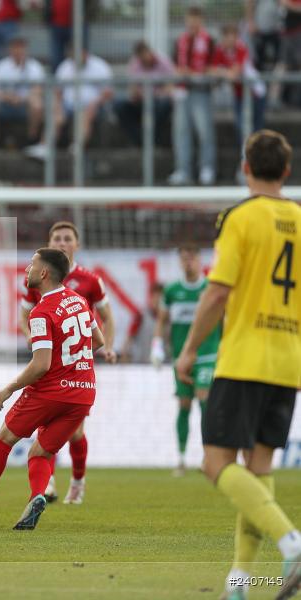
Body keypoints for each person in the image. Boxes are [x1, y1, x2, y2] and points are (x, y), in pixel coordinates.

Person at [175, 129, 301, 600]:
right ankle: (239, 582)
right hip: (288, 362)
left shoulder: (240, 217)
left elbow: (218, 291)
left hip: (245, 357)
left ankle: (292, 542)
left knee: (214, 463)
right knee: (259, 467)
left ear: (245, 167)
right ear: (286, 170)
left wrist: (189, 349)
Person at [0, 248, 105, 529]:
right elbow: (99, 341)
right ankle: (37, 497)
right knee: (40, 452)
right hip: (83, 393)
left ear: (44, 273)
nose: (26, 269)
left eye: (32, 265)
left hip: (50, 391)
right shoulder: (80, 301)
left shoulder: (41, 312)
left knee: (3, 440)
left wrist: (10, 388)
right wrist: (72, 364)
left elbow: (41, 365)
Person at [18, 221, 116, 504]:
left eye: (67, 238)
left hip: (77, 364)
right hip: (49, 361)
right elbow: (24, 314)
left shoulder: (90, 281)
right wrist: (29, 336)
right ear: (50, 244)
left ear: (77, 244)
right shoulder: (38, 276)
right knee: (45, 420)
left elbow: (108, 317)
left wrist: (108, 347)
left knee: (75, 432)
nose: (62, 243)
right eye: (57, 238)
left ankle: (78, 481)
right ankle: (47, 482)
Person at [151, 243, 221, 476]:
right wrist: (157, 346)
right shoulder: (172, 291)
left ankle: (208, 456)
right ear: (180, 262)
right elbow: (162, 321)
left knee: (204, 400)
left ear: (200, 261)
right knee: (184, 405)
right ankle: (181, 458)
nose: (188, 262)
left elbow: (223, 318)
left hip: (207, 354)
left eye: (192, 258)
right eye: (184, 258)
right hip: (181, 358)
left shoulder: (210, 288)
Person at [25, 47, 112, 160]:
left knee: (86, 112)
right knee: (55, 112)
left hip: (92, 105)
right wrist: (57, 105)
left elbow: (108, 93)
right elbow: (57, 92)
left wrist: (95, 102)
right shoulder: (65, 66)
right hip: (68, 104)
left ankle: (77, 146)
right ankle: (45, 146)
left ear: (85, 53)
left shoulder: (100, 66)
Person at [168, 6, 217, 186]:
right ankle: (183, 170)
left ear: (201, 21)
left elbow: (213, 66)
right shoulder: (180, 40)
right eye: (190, 20)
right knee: (181, 132)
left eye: (196, 19)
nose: (193, 23)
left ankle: (207, 168)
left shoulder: (209, 41)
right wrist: (179, 74)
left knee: (205, 131)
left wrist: (196, 73)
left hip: (201, 91)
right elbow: (174, 64)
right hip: (182, 91)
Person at [212, 24, 267, 172]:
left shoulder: (241, 48)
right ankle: (247, 163)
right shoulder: (220, 50)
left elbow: (234, 73)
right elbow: (212, 69)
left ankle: (255, 165)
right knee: (242, 129)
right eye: (227, 37)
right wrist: (224, 72)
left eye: (233, 37)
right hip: (239, 95)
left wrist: (223, 72)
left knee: (255, 131)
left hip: (255, 95)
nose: (230, 40)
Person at [0, 37, 44, 148]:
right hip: (4, 102)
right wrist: (6, 97)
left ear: (26, 49)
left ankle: (31, 140)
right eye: (15, 47)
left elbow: (38, 89)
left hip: (25, 102)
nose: (18, 51)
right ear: (10, 49)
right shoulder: (1, 66)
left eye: (21, 47)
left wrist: (22, 98)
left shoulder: (35, 66)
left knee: (37, 105)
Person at [114, 41, 175, 147]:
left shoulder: (163, 61)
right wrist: (137, 94)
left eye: (145, 55)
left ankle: (149, 140)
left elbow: (170, 86)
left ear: (149, 52)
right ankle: (140, 140)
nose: (144, 60)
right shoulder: (135, 64)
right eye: (141, 57)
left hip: (158, 101)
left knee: (165, 105)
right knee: (119, 106)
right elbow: (132, 89)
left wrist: (155, 94)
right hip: (141, 101)